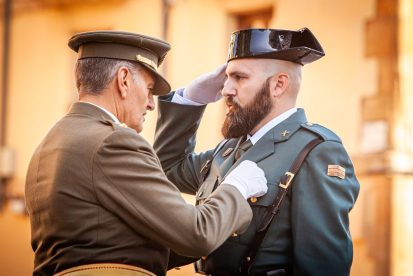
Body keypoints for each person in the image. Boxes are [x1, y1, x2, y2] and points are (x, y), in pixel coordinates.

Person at [25, 30, 268, 276]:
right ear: (124, 80)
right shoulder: (113, 142)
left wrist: (221, 226)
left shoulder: (51, 144)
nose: (151, 103)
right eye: (150, 89)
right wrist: (236, 188)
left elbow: (128, 244)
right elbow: (196, 234)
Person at [154, 27, 360, 275]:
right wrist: (189, 100)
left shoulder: (316, 151)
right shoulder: (229, 148)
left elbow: (321, 268)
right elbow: (166, 171)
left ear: (278, 85)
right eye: (226, 78)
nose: (225, 90)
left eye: (239, 78)